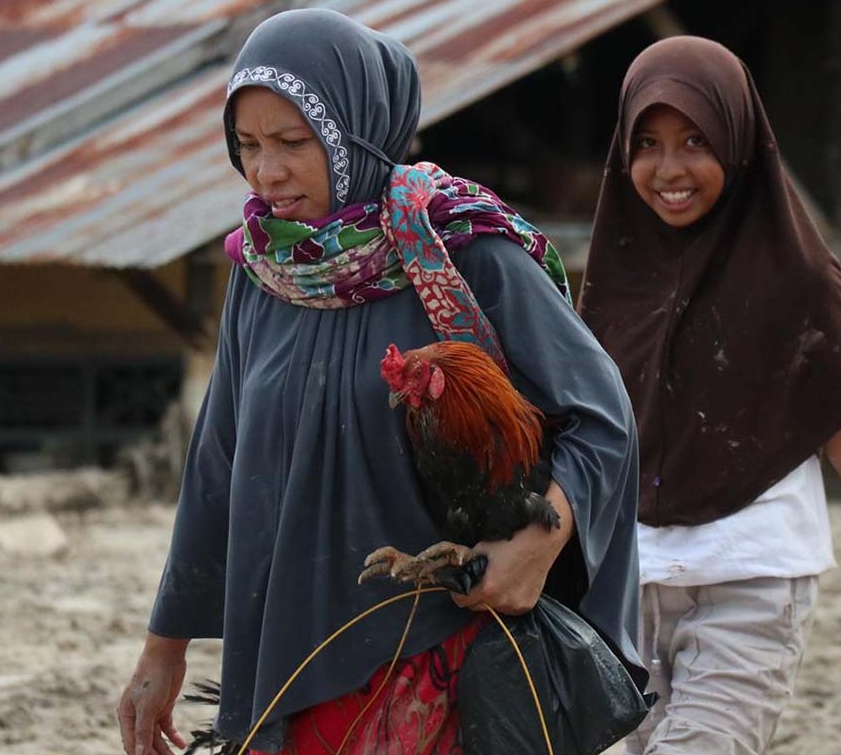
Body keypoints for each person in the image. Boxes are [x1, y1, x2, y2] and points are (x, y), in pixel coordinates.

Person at [116, 9, 644, 755]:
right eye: (249, 146)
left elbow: (604, 414)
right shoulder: (263, 271)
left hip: (439, 655)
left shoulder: (464, 251)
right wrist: (163, 645)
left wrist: (537, 540)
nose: (267, 172)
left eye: (292, 143)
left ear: (353, 134)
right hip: (285, 656)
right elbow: (218, 466)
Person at [577, 36, 841, 755]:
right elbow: (590, 437)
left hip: (751, 577)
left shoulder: (796, 279)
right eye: (647, 143)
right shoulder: (615, 277)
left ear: (738, 141)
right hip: (627, 583)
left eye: (696, 140)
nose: (669, 169)